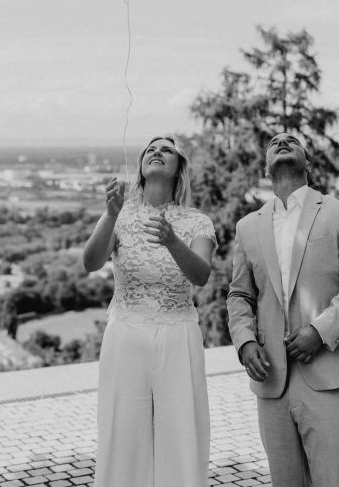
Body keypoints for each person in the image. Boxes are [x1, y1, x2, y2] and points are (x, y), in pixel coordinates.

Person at [227, 132, 339, 487]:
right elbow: (239, 295)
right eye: (274, 142)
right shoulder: (248, 227)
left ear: (308, 163)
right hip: (271, 381)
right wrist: (245, 342)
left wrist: (320, 331)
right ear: (266, 170)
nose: (282, 141)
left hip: (330, 373)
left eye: (292, 140)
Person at [83, 135, 216, 487]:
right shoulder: (121, 214)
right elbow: (90, 262)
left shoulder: (197, 221)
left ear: (178, 168)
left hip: (178, 335)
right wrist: (110, 215)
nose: (157, 152)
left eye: (166, 150)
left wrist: (172, 241)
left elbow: (201, 275)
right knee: (121, 432)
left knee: (182, 433)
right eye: (151, 149)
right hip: (126, 333)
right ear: (141, 166)